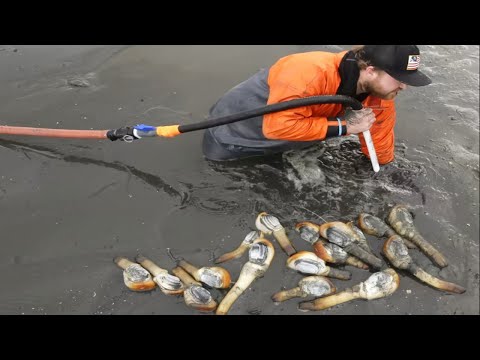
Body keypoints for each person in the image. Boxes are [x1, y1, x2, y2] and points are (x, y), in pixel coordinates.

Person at [202, 45, 432, 165]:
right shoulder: (309, 71)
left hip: (290, 137)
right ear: (370, 70)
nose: (404, 87)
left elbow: (379, 136)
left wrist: (386, 168)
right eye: (399, 79)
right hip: (233, 136)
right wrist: (346, 127)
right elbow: (277, 126)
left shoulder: (381, 93)